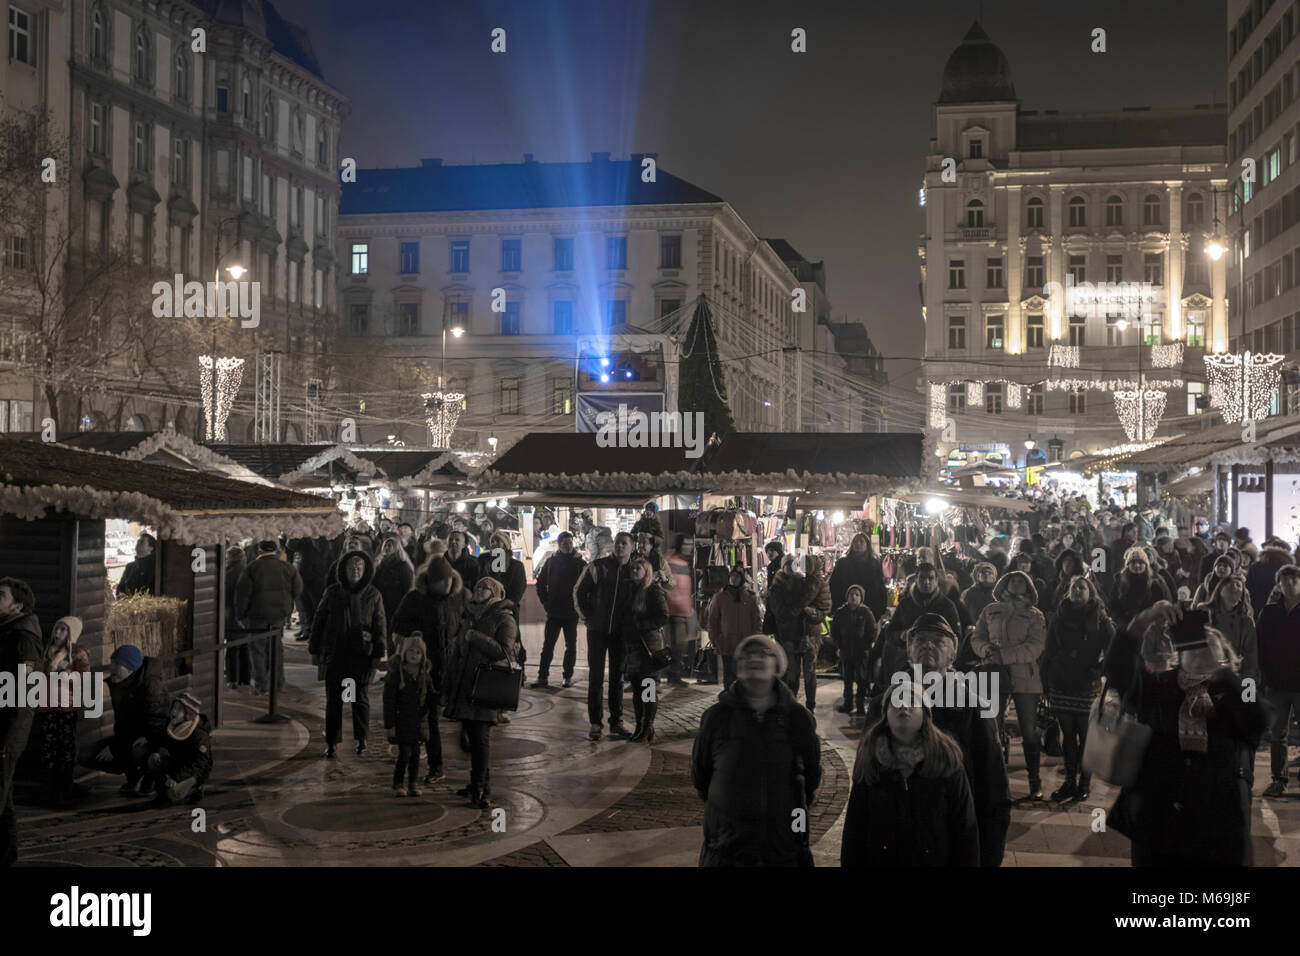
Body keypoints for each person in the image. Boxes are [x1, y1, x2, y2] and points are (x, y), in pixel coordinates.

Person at [1104, 602, 1266, 865]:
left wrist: (1222, 675)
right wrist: (1142, 621)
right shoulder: (1157, 688)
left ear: (1225, 659)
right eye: (1194, 648)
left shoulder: (1234, 697)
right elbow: (1117, 670)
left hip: (1218, 831)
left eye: (1209, 649)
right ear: (1179, 656)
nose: (1201, 655)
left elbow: (1257, 720)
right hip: (1159, 825)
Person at [862, 614, 1012, 867]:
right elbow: (864, 778)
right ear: (909, 652)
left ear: (952, 656)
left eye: (938, 641)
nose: (928, 646)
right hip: (891, 844)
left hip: (950, 843)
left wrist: (988, 855)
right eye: (920, 640)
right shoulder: (882, 706)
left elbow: (994, 791)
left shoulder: (973, 708)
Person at [691, 635, 821, 867]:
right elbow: (701, 777)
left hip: (784, 847)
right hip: (727, 850)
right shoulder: (717, 718)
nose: (755, 659)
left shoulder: (797, 718)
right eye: (747, 655)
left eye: (763, 653)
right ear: (738, 668)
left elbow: (811, 776)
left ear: (777, 665)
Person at [840, 677, 979, 867]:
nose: (903, 706)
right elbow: (855, 830)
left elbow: (965, 830)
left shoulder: (946, 760)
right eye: (896, 701)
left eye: (912, 701)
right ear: (885, 718)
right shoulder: (870, 761)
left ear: (925, 715)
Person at [442, 577, 519, 809]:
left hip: (486, 687)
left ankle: (481, 789)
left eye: (483, 587)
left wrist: (475, 636)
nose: (477, 590)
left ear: (494, 592)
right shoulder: (470, 615)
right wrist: (448, 683)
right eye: (476, 586)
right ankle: (479, 783)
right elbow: (458, 651)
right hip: (465, 686)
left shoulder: (504, 618)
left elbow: (503, 651)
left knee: (480, 740)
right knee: (470, 739)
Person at [971, 570, 1048, 800]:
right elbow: (977, 637)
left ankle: (1034, 781)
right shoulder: (990, 610)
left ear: (1028, 587)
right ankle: (995, 780)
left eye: (1021, 581)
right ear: (1004, 583)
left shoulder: (1035, 615)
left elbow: (1036, 646)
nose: (1016, 584)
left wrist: (1004, 656)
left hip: (1025, 677)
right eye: (1012, 580)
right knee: (993, 728)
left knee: (1029, 731)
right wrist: (986, 651)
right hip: (994, 674)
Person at [391, 555, 464, 784]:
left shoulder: (459, 598)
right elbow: (398, 622)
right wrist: (415, 634)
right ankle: (434, 765)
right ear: (430, 581)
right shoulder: (415, 598)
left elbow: (464, 624)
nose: (446, 585)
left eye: (449, 580)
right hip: (426, 667)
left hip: (452, 667)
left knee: (462, 714)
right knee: (429, 718)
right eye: (441, 581)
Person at [308, 550, 387, 758]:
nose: (355, 571)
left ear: (365, 571)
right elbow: (319, 620)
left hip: (360, 656)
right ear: (343, 569)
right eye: (351, 567)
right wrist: (314, 649)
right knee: (334, 700)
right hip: (336, 654)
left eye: (359, 567)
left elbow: (380, 625)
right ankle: (332, 742)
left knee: (358, 699)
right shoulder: (333, 592)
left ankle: (362, 739)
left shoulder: (373, 594)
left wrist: (378, 654)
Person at [1042, 576, 1113, 802]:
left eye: (1082, 587)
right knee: (1068, 736)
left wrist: (1098, 669)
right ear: (1068, 592)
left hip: (1086, 684)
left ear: (1090, 592)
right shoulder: (1059, 616)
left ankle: (1084, 783)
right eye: (1074, 588)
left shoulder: (1100, 618)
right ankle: (1069, 781)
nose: (1078, 591)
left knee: (1086, 735)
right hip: (1062, 682)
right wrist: (1047, 678)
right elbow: (1049, 648)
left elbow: (1114, 650)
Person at [80, 644, 169, 795]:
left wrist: (118, 747)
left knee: (139, 749)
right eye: (112, 663)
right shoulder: (119, 683)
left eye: (117, 664)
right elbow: (123, 725)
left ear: (130, 668)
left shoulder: (151, 686)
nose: (112, 668)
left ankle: (151, 778)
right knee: (85, 755)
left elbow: (158, 723)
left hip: (153, 740)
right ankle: (133, 776)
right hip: (129, 738)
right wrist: (116, 745)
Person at [575, 531, 636, 740]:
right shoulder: (598, 566)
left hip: (621, 633)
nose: (619, 547)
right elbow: (579, 592)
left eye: (624, 544)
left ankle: (616, 721)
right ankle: (595, 723)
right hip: (597, 631)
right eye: (617, 543)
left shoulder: (635, 570)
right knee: (596, 678)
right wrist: (588, 618)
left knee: (617, 678)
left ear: (631, 547)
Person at [0, 578, 43, 865]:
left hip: (5, 734)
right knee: (4, 802)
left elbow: (24, 697)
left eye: (0, 595)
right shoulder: (8, 631)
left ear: (17, 604)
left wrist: (9, 743)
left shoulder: (23, 640)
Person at [869, 563, 962, 693]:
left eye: (930, 578)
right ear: (916, 579)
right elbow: (890, 633)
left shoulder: (947, 606)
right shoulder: (905, 605)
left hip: (938, 664)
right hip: (908, 662)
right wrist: (902, 635)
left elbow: (956, 636)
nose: (926, 582)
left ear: (936, 581)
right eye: (922, 578)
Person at [34, 617, 91, 807]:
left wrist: (62, 673)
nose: (58, 633)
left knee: (65, 746)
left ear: (71, 634)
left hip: (66, 706)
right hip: (46, 705)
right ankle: (48, 786)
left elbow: (83, 679)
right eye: (57, 628)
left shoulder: (77, 655)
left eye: (64, 630)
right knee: (48, 745)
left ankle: (64, 785)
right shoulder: (45, 651)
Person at [235, 539, 303, 695]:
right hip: (278, 616)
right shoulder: (287, 567)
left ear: (259, 551)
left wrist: (241, 615)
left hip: (256, 616)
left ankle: (261, 685)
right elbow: (298, 589)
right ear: (276, 551)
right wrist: (286, 602)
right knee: (276, 650)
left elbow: (242, 594)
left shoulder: (252, 568)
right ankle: (278, 683)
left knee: (257, 651)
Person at [1257, 564, 1300, 797]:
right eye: (1285, 581)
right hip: (1277, 683)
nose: (1290, 584)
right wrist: (1264, 676)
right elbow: (1260, 645)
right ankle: (1278, 779)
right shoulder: (1269, 612)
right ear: (1278, 585)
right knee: (1277, 734)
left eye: (1294, 580)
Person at [532, 531, 586, 688]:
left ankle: (567, 677)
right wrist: (545, 603)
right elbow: (540, 584)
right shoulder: (551, 562)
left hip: (571, 613)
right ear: (559, 545)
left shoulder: (580, 564)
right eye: (565, 544)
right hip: (554, 611)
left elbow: (586, 588)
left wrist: (579, 606)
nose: (568, 546)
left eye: (570, 543)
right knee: (548, 645)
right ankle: (542, 677)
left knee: (571, 646)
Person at [384, 635, 436, 797]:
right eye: (411, 651)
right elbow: (389, 701)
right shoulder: (396, 675)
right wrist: (390, 724)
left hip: (419, 722)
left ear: (423, 656)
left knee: (415, 756)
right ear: (404, 654)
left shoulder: (424, 675)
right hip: (402, 721)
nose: (414, 655)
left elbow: (430, 696)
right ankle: (398, 783)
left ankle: (413, 783)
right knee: (404, 754)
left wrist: (439, 699)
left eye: (418, 652)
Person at [624, 557, 668, 743]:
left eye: (638, 569)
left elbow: (663, 616)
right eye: (632, 568)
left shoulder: (653, 590)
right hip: (633, 646)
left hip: (649, 646)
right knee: (636, 689)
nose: (634, 571)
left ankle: (647, 726)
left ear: (646, 571)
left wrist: (642, 625)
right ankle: (639, 725)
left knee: (647, 688)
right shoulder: (629, 590)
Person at [143, 693, 213, 805]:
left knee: (173, 794)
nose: (174, 712)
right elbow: (161, 741)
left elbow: (200, 764)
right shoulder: (171, 725)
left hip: (194, 771)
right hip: (177, 764)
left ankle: (196, 788)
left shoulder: (199, 734)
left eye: (179, 709)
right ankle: (161, 789)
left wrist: (176, 778)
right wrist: (156, 750)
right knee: (153, 759)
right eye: (174, 708)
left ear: (188, 714)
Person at [705, 565, 762, 689]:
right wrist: (714, 638)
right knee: (729, 675)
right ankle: (729, 700)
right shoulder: (720, 597)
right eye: (732, 576)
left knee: (744, 675)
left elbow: (756, 620)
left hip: (745, 643)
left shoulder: (750, 597)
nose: (734, 579)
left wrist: (755, 638)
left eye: (737, 577)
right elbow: (712, 620)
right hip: (727, 643)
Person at [1201, 574, 1258, 683]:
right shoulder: (1203, 612)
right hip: (1205, 676)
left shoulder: (1246, 622)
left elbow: (1251, 657)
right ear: (1219, 590)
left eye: (1238, 585)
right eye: (1229, 583)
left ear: (1242, 595)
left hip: (1233, 677)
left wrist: (1247, 685)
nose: (1234, 587)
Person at [832, 584, 877, 716]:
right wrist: (839, 644)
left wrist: (866, 645)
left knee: (862, 680)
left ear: (861, 598)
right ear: (847, 596)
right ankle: (847, 703)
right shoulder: (841, 612)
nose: (854, 597)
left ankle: (860, 705)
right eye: (851, 594)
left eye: (857, 595)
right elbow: (834, 630)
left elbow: (872, 630)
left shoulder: (866, 612)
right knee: (847, 679)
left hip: (861, 652)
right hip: (846, 651)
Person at [829, 532, 887, 618]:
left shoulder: (874, 564)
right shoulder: (843, 563)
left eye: (861, 541)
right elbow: (833, 585)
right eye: (855, 541)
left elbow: (879, 588)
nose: (858, 544)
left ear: (867, 545)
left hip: (869, 610)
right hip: (845, 610)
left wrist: (878, 610)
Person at [1109, 546, 1171, 624]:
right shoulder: (1120, 581)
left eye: (1140, 562)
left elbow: (1164, 604)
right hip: (1125, 626)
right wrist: (1121, 622)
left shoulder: (1156, 582)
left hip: (1150, 627)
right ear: (1128, 565)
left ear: (1146, 565)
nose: (1137, 565)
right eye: (1133, 562)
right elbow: (1113, 605)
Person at [663, 535, 695, 683]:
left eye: (690, 544)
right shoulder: (671, 561)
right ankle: (672, 674)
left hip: (682, 610)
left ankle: (673, 673)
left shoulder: (682, 562)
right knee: (677, 644)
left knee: (679, 645)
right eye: (686, 544)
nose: (689, 547)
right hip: (673, 610)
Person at [373, 534, 416, 638]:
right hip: (381, 605)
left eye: (390, 545)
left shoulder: (403, 566)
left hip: (396, 606)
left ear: (397, 548)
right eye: (386, 545)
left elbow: (408, 588)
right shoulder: (379, 566)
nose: (387, 548)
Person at [1247, 539, 1293, 614]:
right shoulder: (1289, 570)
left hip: (1257, 611)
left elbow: (1248, 592)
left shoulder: (1255, 567)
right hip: (1283, 613)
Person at [960, 563, 998, 629]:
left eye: (990, 572)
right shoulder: (968, 593)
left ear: (994, 577)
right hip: (974, 629)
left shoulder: (1000, 592)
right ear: (977, 576)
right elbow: (963, 613)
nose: (986, 574)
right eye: (983, 572)